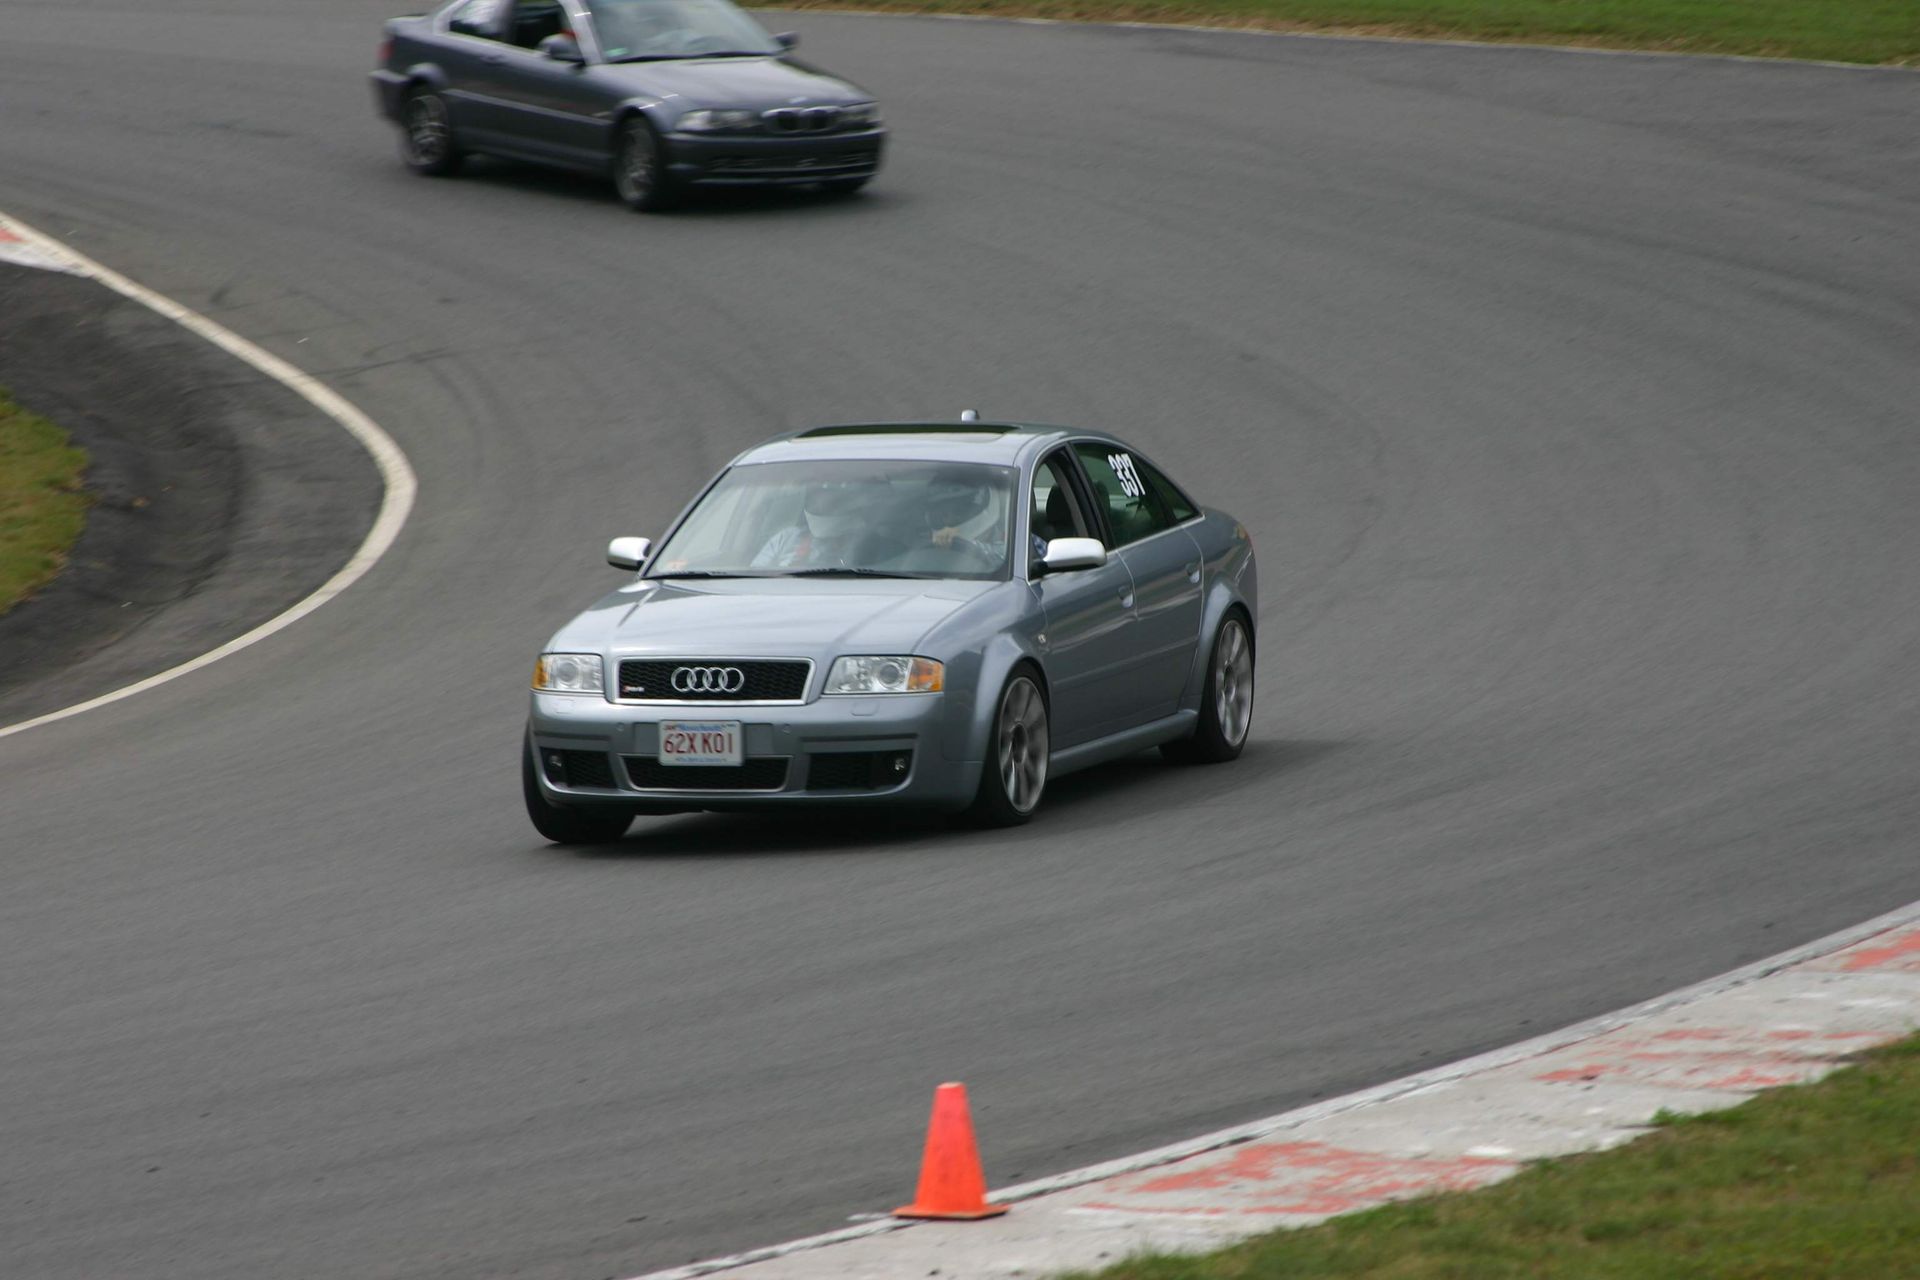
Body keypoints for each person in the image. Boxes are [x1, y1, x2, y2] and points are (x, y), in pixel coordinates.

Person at [751, 479, 880, 569]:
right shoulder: (786, 538)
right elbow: (756, 573)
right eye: (816, 501)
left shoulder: (867, 543)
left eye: (832, 504)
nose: (820, 505)